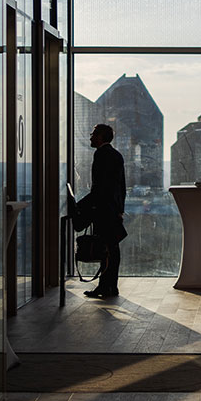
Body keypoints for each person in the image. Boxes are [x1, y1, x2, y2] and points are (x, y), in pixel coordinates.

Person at [84, 123, 126, 298]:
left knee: (105, 249)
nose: (91, 137)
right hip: (113, 209)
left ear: (101, 136)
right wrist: (120, 209)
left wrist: (83, 204)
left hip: (103, 210)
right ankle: (110, 286)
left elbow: (99, 187)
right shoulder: (116, 155)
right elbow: (121, 187)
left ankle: (104, 287)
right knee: (112, 249)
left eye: (94, 134)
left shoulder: (101, 154)